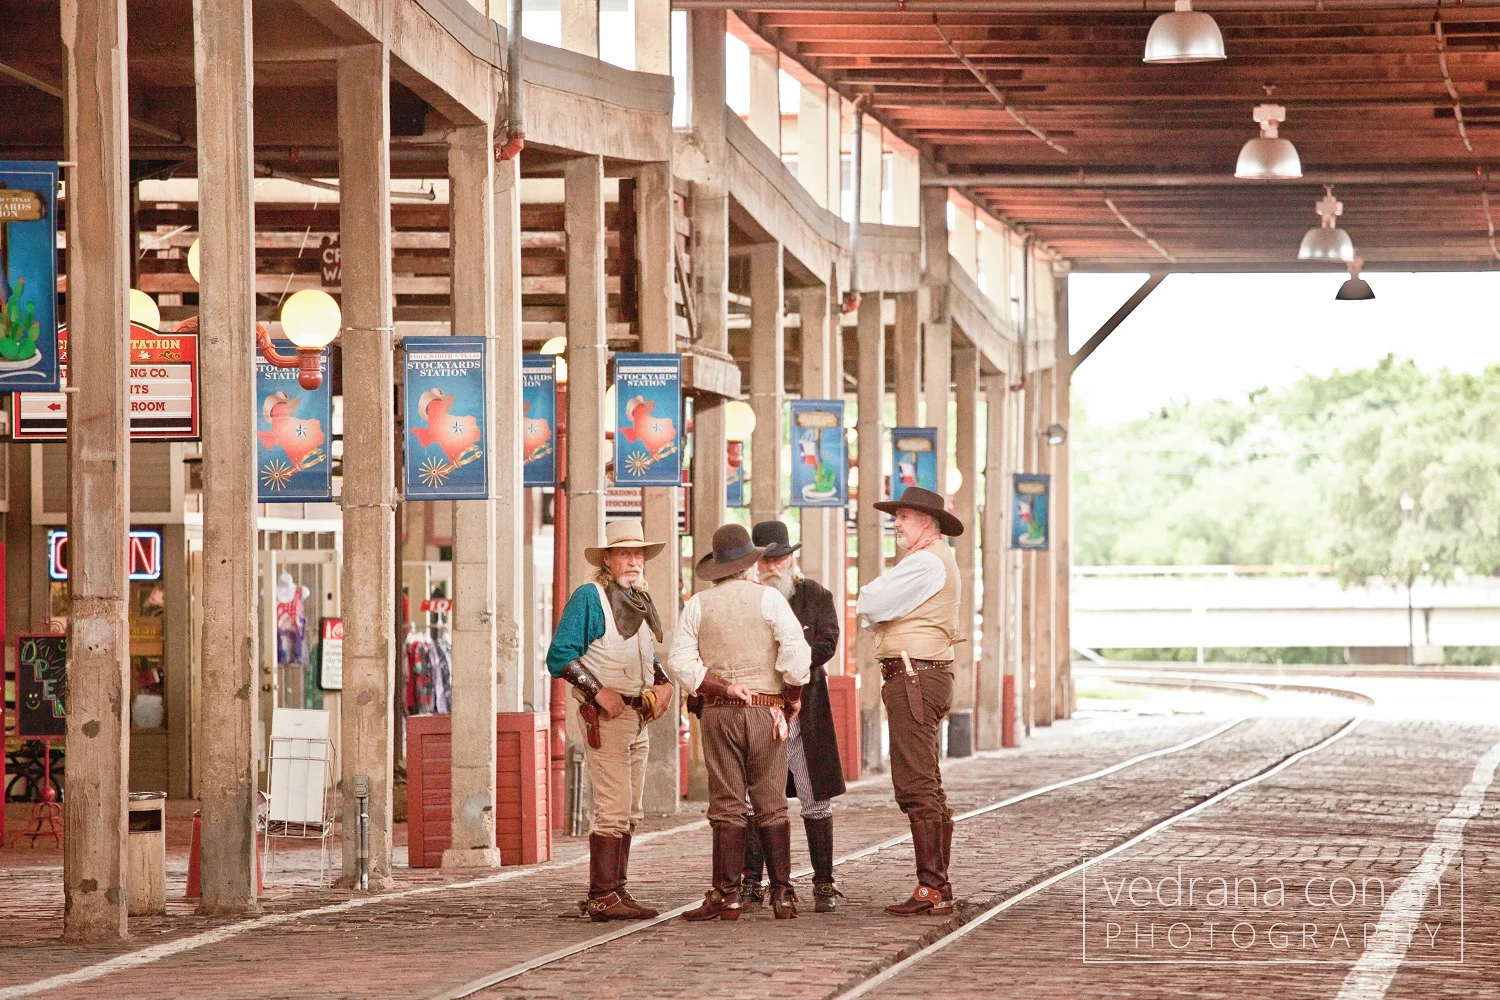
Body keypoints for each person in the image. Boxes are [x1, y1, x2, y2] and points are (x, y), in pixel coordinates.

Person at [670, 524, 811, 921]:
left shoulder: (698, 604)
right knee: (771, 803)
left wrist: (719, 685)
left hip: (717, 713)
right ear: (750, 563)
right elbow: (797, 654)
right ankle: (783, 895)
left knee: (727, 804)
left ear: (717, 567)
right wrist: (793, 698)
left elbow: (679, 661)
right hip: (766, 710)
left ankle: (727, 894)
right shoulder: (769, 600)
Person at [546, 519, 675, 921]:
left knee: (630, 808)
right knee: (613, 807)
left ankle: (616, 890)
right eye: (625, 554)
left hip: (638, 714)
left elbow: (642, 654)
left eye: (638, 554)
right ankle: (603, 893)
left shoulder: (637, 597)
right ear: (609, 559)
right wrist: (599, 691)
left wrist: (664, 682)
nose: (634, 561)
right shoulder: (590, 597)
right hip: (607, 716)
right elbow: (560, 656)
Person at [855, 486, 965, 916]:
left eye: (902, 517)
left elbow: (872, 601)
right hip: (921, 676)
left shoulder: (924, 562)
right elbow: (876, 606)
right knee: (926, 780)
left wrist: (876, 603)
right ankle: (937, 884)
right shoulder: (935, 560)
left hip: (914, 677)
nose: (896, 524)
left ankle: (931, 886)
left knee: (915, 781)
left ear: (926, 522)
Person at [739, 520, 846, 913]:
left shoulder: (816, 594)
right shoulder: (745, 596)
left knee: (814, 796)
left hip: (807, 706)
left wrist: (792, 669)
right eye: (765, 560)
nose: (772, 566)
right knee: (756, 797)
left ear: (791, 558)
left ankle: (823, 882)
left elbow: (828, 641)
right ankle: (752, 881)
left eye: (779, 558)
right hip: (758, 707)